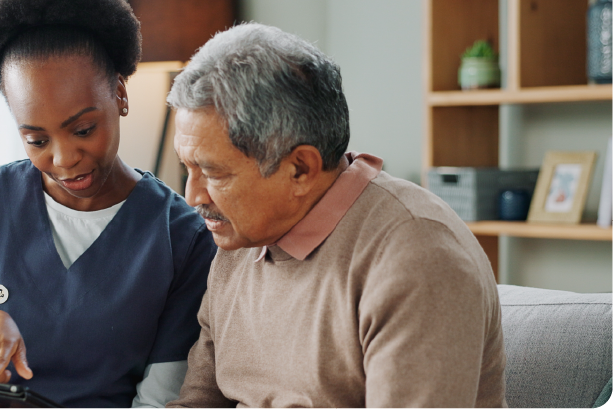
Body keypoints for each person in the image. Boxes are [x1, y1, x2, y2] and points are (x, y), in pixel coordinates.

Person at [0, 1, 217, 408]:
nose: (63, 159)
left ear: (119, 93)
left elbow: (162, 400)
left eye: (82, 129)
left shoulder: (183, 238)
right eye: (36, 140)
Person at [164, 23, 508, 409]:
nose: (192, 195)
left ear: (300, 169)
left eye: (213, 173)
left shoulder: (417, 257)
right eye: (187, 169)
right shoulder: (239, 240)